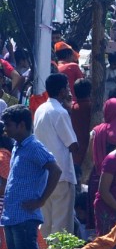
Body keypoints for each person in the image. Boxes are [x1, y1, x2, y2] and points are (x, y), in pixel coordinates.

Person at [2, 104, 62, 249]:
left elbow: (55, 170)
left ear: (21, 124)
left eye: (8, 125)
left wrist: (41, 200)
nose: (5, 129)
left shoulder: (34, 146)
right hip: (11, 216)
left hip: (26, 216)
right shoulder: (18, 145)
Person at [33, 73, 79, 236]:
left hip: (44, 175)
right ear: (61, 91)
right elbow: (73, 145)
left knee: (46, 224)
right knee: (62, 226)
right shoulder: (60, 112)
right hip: (62, 175)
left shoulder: (40, 109)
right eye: (67, 87)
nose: (69, 90)